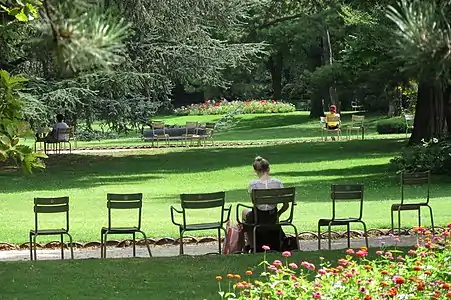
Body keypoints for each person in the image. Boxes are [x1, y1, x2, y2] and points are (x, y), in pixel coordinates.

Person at [242, 156, 289, 252]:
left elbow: (254, 203)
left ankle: (250, 245)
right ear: (268, 169)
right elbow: (286, 205)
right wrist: (278, 214)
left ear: (255, 170)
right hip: (272, 216)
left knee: (244, 213)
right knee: (250, 216)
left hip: (258, 217)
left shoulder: (253, 184)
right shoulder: (278, 183)